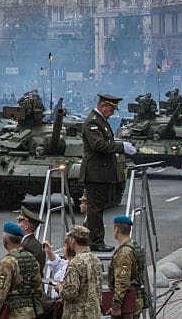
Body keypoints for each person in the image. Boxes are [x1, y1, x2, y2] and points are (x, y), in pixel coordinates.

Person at [80, 92, 135, 252]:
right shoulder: (93, 122)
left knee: (97, 209)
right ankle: (96, 241)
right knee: (95, 210)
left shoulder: (101, 121)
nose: (112, 113)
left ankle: (95, 239)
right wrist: (121, 147)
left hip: (101, 173)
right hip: (95, 173)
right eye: (111, 110)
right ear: (103, 106)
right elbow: (98, 145)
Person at [0, 221, 44, 319]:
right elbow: (38, 288)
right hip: (31, 312)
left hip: (13, 313)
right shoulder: (31, 258)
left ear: (5, 240)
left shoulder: (7, 262)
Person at [57, 224, 102, 318]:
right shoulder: (96, 260)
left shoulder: (75, 263)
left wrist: (60, 288)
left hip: (78, 314)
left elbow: (70, 292)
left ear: (73, 240)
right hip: (94, 313)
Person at [108, 215, 146, 319]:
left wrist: (116, 306)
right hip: (135, 299)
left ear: (116, 230)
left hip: (127, 302)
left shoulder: (124, 253)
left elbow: (122, 282)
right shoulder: (134, 246)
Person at [17, 206, 47, 279]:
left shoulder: (27, 246)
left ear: (26, 227)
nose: (17, 225)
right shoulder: (31, 243)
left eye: (19, 222)